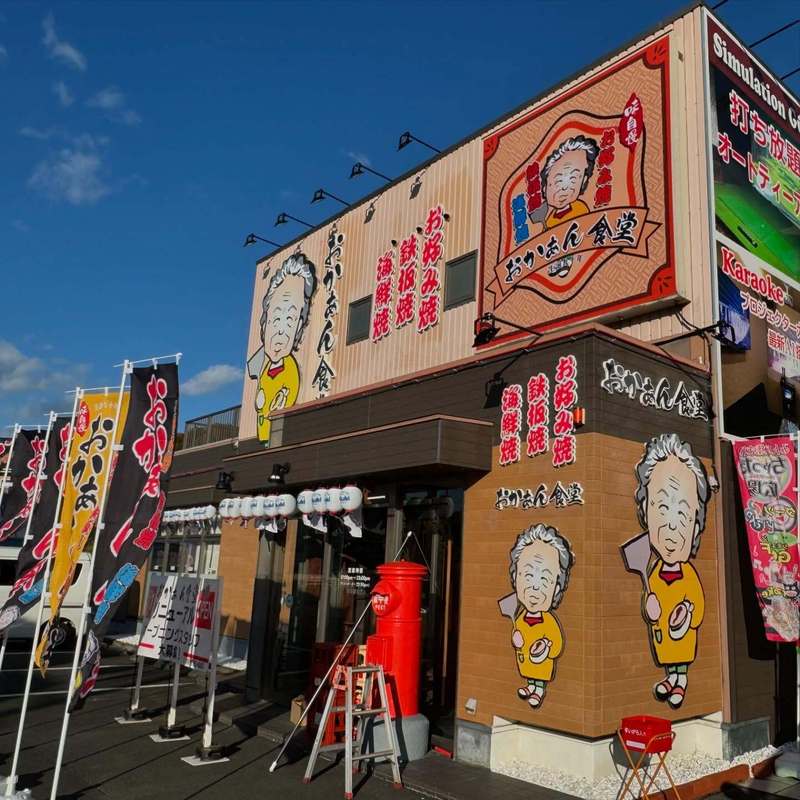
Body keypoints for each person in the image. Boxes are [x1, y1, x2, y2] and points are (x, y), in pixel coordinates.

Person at [634, 433, 711, 709]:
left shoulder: (689, 574)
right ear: (646, 510)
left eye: (682, 513)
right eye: (663, 508)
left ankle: (681, 680)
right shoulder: (653, 572)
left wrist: (689, 613)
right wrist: (650, 609)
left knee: (681, 658)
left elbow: (698, 606)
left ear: (695, 525)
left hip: (683, 633)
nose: (672, 526)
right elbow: (650, 601)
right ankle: (670, 678)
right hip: (663, 636)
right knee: (668, 654)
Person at [247, 254, 317, 442]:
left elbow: (283, 405)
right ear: (264, 322)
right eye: (276, 319)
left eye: (289, 320)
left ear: (299, 326)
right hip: (264, 440)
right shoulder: (261, 368)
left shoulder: (291, 370)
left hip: (279, 439)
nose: (280, 331)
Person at [506, 524, 574, 708]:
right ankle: (530, 686)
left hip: (542, 664)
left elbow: (557, 645)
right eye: (528, 575)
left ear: (556, 588)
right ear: (515, 577)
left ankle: (539, 689)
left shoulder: (549, 621)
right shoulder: (520, 617)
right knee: (530, 673)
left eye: (544, 579)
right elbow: (519, 635)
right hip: (526, 662)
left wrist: (546, 646)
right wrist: (517, 640)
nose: (535, 586)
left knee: (539, 676)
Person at [540, 135, 599, 229]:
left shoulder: (580, 208)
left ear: (583, 181)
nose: (564, 188)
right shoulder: (548, 221)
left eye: (573, 179)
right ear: (544, 188)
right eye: (558, 181)